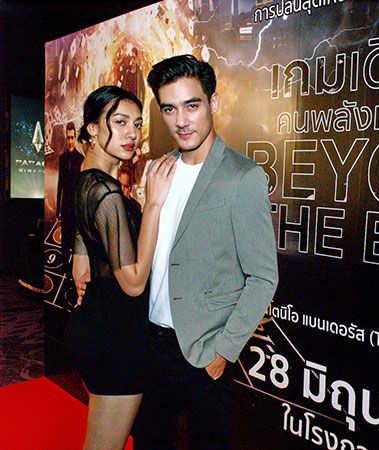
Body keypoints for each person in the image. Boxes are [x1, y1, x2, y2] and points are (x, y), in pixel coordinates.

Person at [132, 54, 279, 449]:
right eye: (169, 108)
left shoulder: (242, 176)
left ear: (213, 103)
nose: (181, 120)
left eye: (192, 105)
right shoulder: (157, 169)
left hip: (202, 352)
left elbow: (263, 276)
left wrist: (224, 352)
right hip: (150, 344)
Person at [63, 86, 176, 450]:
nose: (132, 133)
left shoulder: (87, 176)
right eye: (120, 122)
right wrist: (154, 204)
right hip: (115, 339)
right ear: (93, 128)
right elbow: (134, 283)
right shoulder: (108, 193)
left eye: (137, 124)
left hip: (96, 325)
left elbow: (82, 253)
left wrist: (85, 267)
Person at [56, 121, 84, 277]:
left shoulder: (81, 158)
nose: (70, 141)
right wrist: (57, 212)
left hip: (76, 207)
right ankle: (64, 267)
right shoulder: (62, 158)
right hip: (65, 206)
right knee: (65, 240)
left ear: (75, 137)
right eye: (68, 138)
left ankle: (73, 268)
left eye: (72, 137)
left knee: (75, 240)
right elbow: (60, 184)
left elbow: (81, 187)